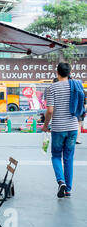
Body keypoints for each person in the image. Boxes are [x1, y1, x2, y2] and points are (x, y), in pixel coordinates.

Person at [42, 63, 80, 198]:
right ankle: (68, 189)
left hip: (58, 128)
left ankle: (61, 181)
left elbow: (50, 110)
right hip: (73, 127)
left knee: (56, 156)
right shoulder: (76, 85)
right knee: (69, 158)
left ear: (57, 72)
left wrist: (45, 125)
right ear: (69, 72)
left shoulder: (52, 87)